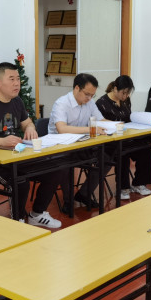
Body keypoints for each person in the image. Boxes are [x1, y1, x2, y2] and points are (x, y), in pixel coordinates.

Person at [0, 62, 63, 228]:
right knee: (20, 180)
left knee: (56, 169)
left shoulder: (17, 101)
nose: (17, 83)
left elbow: (27, 123)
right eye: (11, 79)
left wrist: (30, 128)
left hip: (17, 156)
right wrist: (1, 141)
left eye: (18, 79)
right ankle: (17, 223)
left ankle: (37, 214)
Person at [48, 73, 108, 212]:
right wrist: (90, 129)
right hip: (60, 147)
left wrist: (119, 125)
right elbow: (62, 129)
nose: (89, 98)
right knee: (65, 165)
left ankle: (83, 194)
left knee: (106, 159)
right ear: (76, 88)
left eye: (92, 95)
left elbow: (101, 120)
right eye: (87, 94)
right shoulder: (62, 103)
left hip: (81, 145)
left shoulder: (90, 103)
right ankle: (68, 201)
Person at [95, 75, 151, 201]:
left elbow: (128, 119)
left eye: (128, 93)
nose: (126, 96)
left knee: (145, 149)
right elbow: (99, 124)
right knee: (123, 152)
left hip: (127, 136)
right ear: (115, 89)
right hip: (110, 141)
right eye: (124, 93)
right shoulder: (101, 103)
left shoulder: (126, 101)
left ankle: (139, 183)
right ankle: (123, 188)